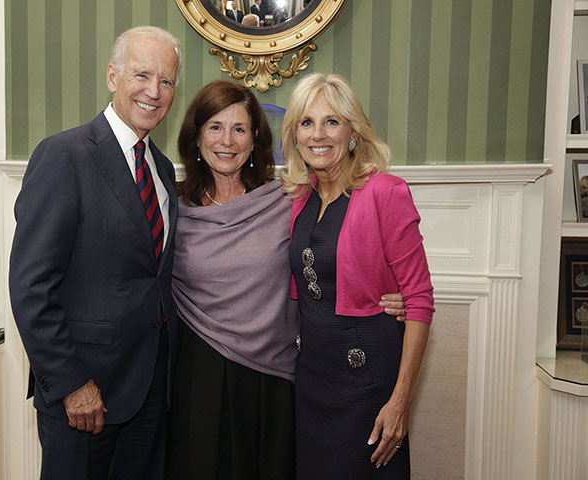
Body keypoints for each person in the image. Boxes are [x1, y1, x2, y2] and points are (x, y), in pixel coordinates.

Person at [167, 80, 408, 480]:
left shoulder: (287, 198)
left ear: (255, 138)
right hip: (199, 378)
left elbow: (340, 250)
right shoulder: (174, 210)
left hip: (274, 379)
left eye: (240, 129)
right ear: (195, 136)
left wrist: (394, 294)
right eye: (214, 127)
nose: (227, 140)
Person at [9, 26, 182, 480]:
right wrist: (70, 384)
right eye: (141, 75)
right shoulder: (64, 156)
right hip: (85, 398)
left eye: (167, 81)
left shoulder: (161, 169)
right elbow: (31, 287)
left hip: (149, 394)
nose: (154, 91)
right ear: (112, 76)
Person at [281, 73, 434, 479]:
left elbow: (418, 300)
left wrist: (401, 400)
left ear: (352, 131)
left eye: (332, 121)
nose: (318, 134)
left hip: (366, 381)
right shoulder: (300, 197)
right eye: (306, 122)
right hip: (312, 380)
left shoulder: (385, 192)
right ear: (294, 134)